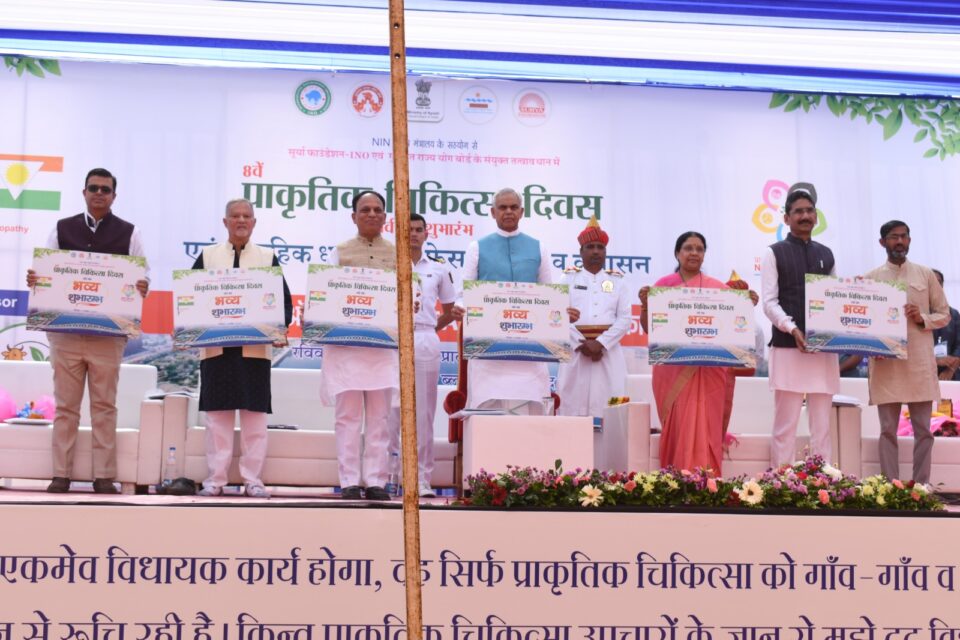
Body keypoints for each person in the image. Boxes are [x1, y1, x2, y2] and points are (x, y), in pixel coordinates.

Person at [25, 168, 149, 494]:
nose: (99, 194)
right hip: (65, 334)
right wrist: (36, 279)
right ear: (84, 192)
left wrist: (142, 285)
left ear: (114, 196)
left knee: (104, 406)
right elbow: (44, 272)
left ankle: (104, 476)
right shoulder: (61, 228)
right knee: (66, 407)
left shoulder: (130, 233)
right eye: (93, 188)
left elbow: (143, 275)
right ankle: (60, 474)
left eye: (105, 189)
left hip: (108, 336)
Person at [193, 198, 292, 498]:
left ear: (254, 222)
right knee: (217, 422)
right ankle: (215, 481)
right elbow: (191, 298)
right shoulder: (208, 256)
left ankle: (253, 481)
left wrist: (278, 328)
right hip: (217, 351)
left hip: (254, 352)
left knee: (255, 422)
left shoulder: (267, 257)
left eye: (246, 216)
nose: (240, 220)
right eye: (235, 216)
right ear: (225, 222)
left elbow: (283, 303)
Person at [639, 232, 757, 475]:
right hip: (673, 371)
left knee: (706, 423)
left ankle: (707, 481)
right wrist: (645, 306)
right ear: (677, 253)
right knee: (679, 423)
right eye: (688, 248)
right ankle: (676, 479)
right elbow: (650, 328)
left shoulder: (718, 289)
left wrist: (746, 304)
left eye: (699, 249)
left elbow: (733, 323)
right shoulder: (663, 286)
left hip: (709, 371)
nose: (694, 253)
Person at [319, 190, 398, 501]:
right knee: (347, 418)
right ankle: (350, 481)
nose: (372, 214)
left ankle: (376, 481)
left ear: (385, 217)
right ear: (354, 216)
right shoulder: (338, 253)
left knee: (380, 419)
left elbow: (408, 296)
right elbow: (324, 295)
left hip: (382, 348)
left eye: (377, 209)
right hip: (346, 349)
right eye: (365, 209)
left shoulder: (397, 254)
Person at [865, 221, 949, 485]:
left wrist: (922, 317)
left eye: (904, 236)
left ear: (910, 241)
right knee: (887, 431)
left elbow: (944, 315)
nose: (899, 241)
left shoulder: (925, 275)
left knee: (924, 431)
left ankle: (921, 487)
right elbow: (862, 324)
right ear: (882, 242)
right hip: (886, 365)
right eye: (893, 237)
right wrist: (873, 346)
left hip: (919, 364)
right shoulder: (870, 279)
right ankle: (890, 488)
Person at [761, 182, 838, 468]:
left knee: (822, 424)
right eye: (798, 212)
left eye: (809, 211)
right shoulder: (774, 252)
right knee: (786, 423)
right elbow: (769, 302)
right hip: (787, 346)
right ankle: (781, 480)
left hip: (823, 349)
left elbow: (834, 299)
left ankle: (823, 480)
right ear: (786, 218)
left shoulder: (827, 254)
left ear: (816, 216)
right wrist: (792, 328)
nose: (805, 216)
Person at [386, 214, 462, 497]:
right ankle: (389, 476)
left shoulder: (439, 268)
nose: (414, 234)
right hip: (392, 339)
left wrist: (431, 326)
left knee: (423, 413)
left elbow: (451, 309)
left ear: (427, 234)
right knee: (390, 411)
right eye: (409, 230)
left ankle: (421, 479)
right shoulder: (388, 264)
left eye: (419, 230)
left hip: (425, 338)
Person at [461, 188, 555, 412]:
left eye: (514, 207)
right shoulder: (476, 248)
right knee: (488, 411)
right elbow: (464, 295)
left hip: (529, 348)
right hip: (488, 349)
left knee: (529, 410)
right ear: (493, 212)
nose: (509, 211)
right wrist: (459, 308)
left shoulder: (539, 248)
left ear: (522, 212)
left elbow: (549, 295)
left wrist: (562, 312)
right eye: (503, 207)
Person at [556, 217, 631, 419]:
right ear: (581, 252)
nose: (596, 251)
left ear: (606, 252)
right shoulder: (567, 279)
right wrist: (582, 344)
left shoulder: (618, 281)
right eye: (590, 247)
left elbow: (625, 319)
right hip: (576, 351)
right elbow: (558, 316)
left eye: (600, 247)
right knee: (572, 405)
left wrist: (601, 343)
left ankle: (612, 440)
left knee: (613, 406)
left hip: (609, 352)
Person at [932, 269, 960, 381]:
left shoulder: (954, 314)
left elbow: (959, 345)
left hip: (952, 374)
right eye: (932, 282)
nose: (936, 285)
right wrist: (935, 360)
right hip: (925, 375)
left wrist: (950, 370)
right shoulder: (917, 316)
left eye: (939, 282)